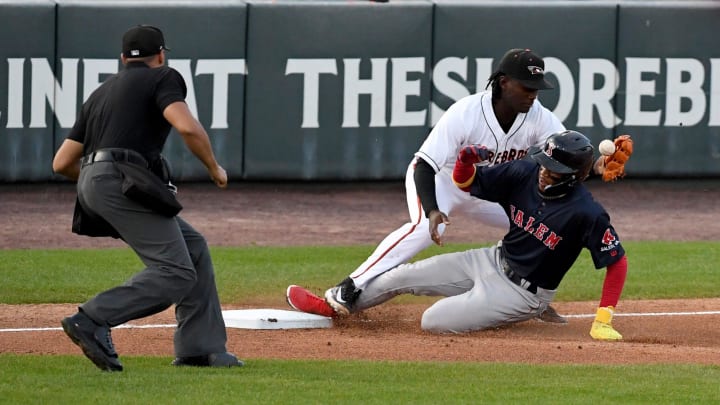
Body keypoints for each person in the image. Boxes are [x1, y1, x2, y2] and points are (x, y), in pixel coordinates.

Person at [288, 48, 588, 322]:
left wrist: (599, 164)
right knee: (425, 229)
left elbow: (565, 154)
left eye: (537, 88)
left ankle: (526, 295)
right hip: (442, 183)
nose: (533, 94)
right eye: (526, 86)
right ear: (503, 82)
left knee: (542, 219)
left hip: (486, 190)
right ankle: (348, 287)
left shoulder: (539, 118)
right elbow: (424, 166)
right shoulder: (466, 113)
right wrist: (432, 209)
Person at [298, 130, 628, 340]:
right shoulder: (526, 172)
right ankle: (334, 307)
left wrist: (603, 318)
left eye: (553, 171)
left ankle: (510, 313)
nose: (543, 172)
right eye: (543, 164)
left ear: (573, 178)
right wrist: (465, 162)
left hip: (524, 294)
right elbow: (468, 183)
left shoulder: (587, 212)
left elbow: (617, 262)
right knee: (400, 276)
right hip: (489, 260)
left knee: (433, 321)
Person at [52, 25, 242, 371]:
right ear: (160, 55)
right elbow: (185, 126)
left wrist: (97, 180)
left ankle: (199, 348)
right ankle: (93, 318)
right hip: (120, 180)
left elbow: (62, 162)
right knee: (175, 271)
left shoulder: (101, 92)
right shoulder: (163, 77)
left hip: (93, 183)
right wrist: (214, 168)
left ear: (123, 58)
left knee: (193, 248)